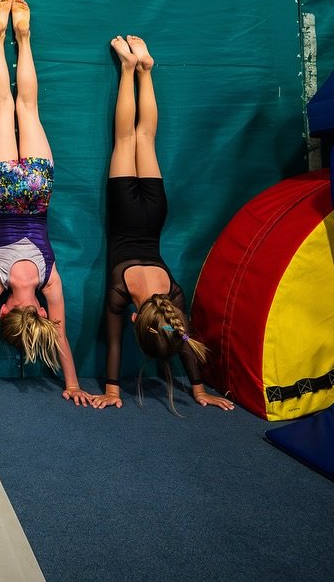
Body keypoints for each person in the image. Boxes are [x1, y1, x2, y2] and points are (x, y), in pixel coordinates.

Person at [94, 34, 235, 414]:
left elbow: (183, 339)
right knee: (127, 138)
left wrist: (199, 387)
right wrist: (112, 390)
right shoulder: (120, 293)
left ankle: (145, 70)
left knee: (146, 138)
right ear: (136, 318)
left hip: (156, 212)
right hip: (124, 211)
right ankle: (129, 68)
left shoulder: (173, 296)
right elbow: (115, 344)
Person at [0, 0, 92, 406]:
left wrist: (73, 384)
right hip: (3, 192)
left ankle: (23, 38)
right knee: (5, 107)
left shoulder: (49, 281)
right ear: (6, 311)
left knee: (26, 108)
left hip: (36, 193)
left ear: (39, 313)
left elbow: (61, 336)